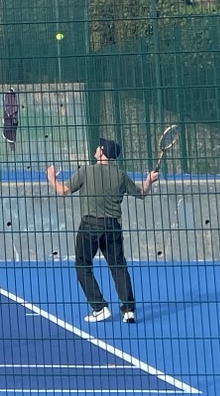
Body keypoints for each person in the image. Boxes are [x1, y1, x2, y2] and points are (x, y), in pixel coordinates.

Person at [48, 138, 159, 325]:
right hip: (113, 227)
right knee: (118, 267)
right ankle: (128, 310)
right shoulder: (120, 175)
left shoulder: (86, 171)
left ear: (102, 152)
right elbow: (141, 194)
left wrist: (51, 177)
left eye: (99, 146)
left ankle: (99, 307)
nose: (96, 147)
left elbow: (62, 191)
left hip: (90, 226)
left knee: (83, 266)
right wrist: (149, 181)